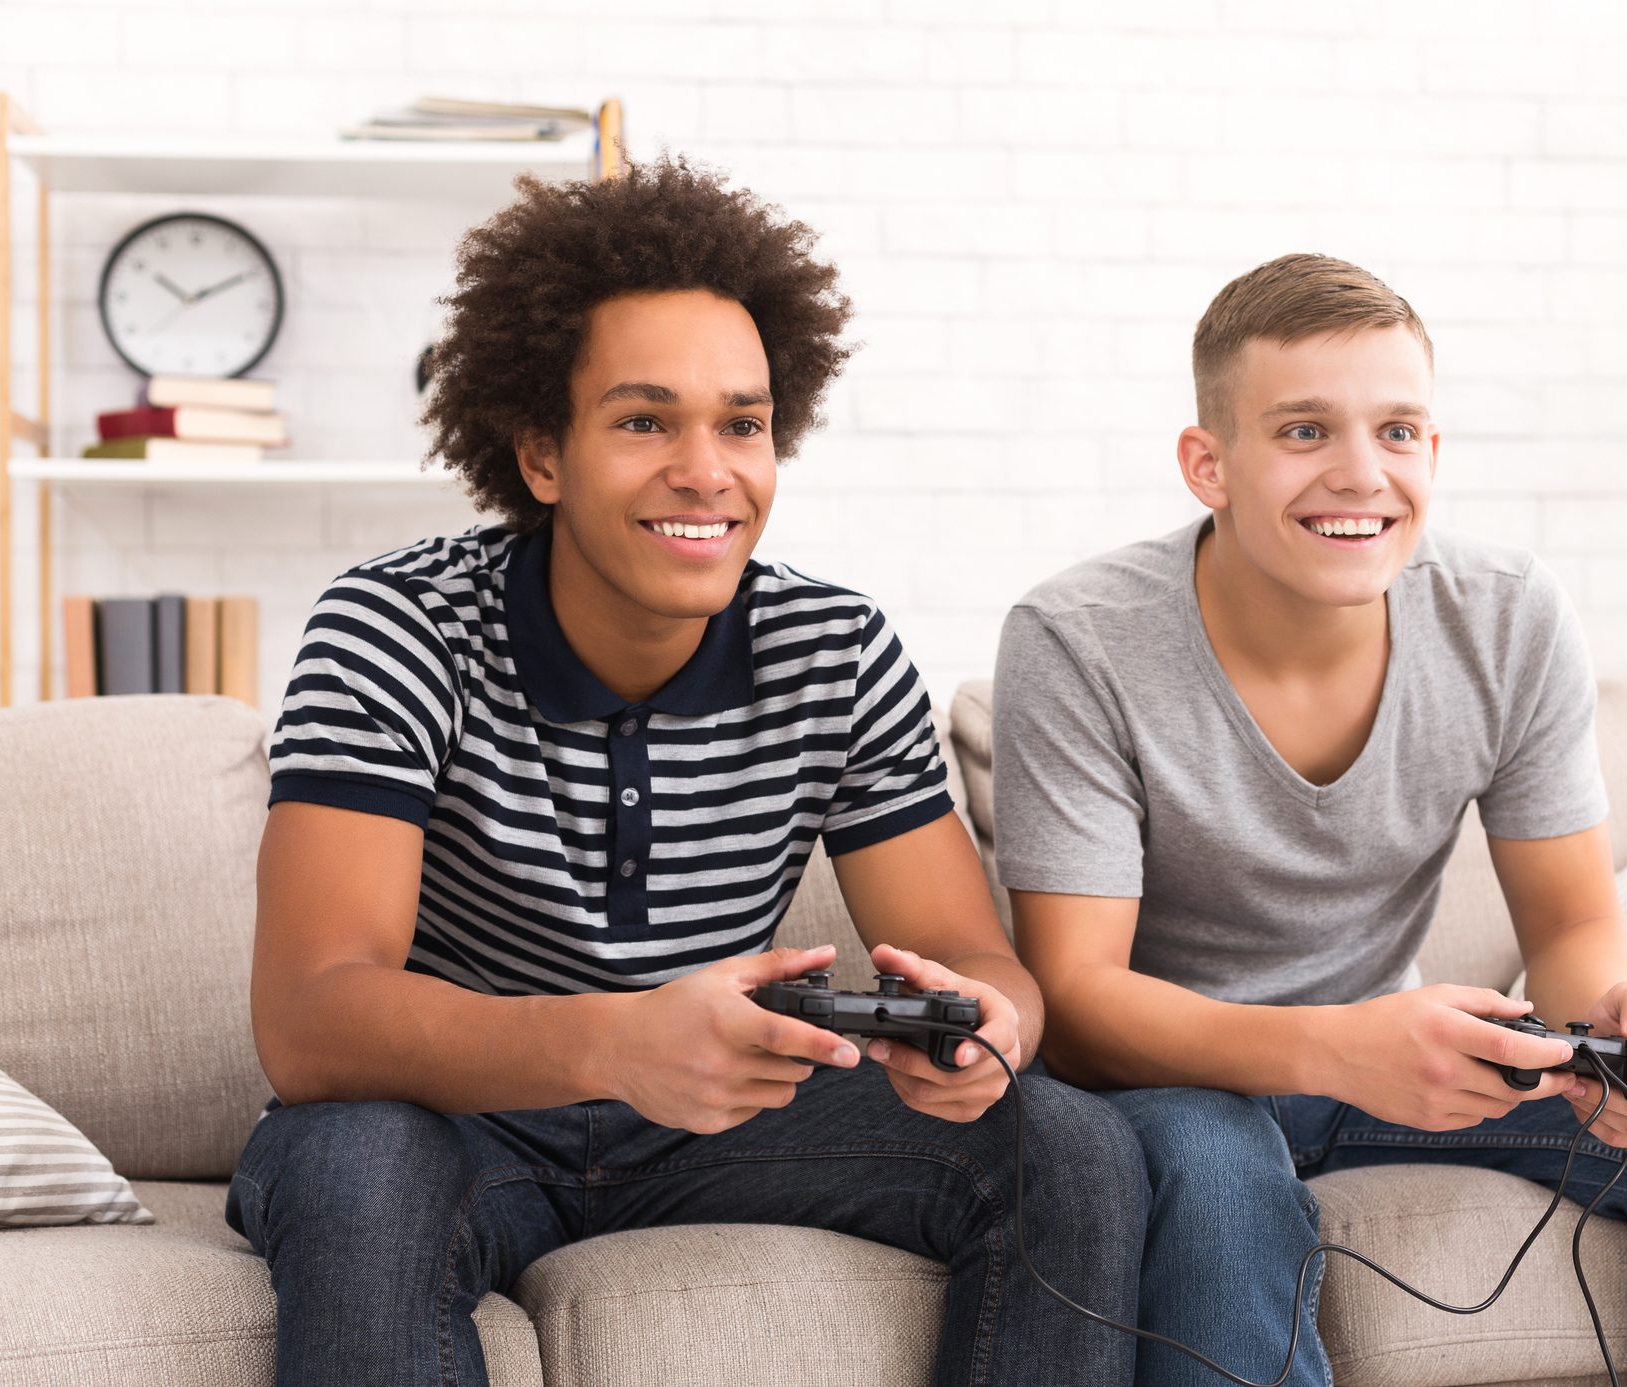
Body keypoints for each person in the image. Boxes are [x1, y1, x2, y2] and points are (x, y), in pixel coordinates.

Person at [227, 158, 1145, 1387]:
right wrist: (616, 1043)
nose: (708, 470)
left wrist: (980, 1030)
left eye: (743, 423)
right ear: (542, 454)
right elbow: (311, 1019)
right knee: (354, 1165)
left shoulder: (836, 649)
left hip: (722, 1123)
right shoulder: (397, 627)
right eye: (646, 420)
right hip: (450, 1119)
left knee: (1072, 1148)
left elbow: (976, 960)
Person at [990, 253, 1627, 1387]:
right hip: (1173, 1082)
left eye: (1398, 431)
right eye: (1304, 431)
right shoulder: (1076, 640)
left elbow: (1572, 920)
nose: (1362, 474)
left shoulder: (1508, 617)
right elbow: (1083, 1006)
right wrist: (1340, 1046)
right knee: (1211, 1173)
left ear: (1433, 452)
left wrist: (1611, 1028)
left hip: (1397, 1068)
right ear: (1210, 464)